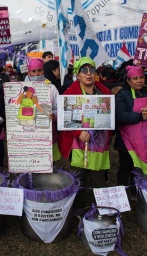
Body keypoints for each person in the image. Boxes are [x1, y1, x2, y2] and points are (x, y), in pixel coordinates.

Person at [58, 57, 112, 214]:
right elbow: (63, 118)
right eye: (84, 70)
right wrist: (78, 132)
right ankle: (79, 207)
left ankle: (101, 207)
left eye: (92, 70)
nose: (88, 74)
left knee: (98, 175)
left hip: (99, 141)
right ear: (77, 74)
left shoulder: (104, 92)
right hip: (78, 143)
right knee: (79, 175)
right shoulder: (70, 93)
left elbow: (110, 115)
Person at [114, 65, 147, 198]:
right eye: (135, 78)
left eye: (141, 78)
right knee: (125, 167)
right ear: (128, 81)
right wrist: (139, 116)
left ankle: (136, 191)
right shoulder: (123, 95)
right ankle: (120, 193)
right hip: (127, 142)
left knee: (138, 169)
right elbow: (119, 115)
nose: (139, 81)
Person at [26, 58, 61, 162]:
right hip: (28, 132)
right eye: (33, 71)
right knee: (31, 160)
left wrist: (54, 115)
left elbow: (58, 107)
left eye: (39, 70)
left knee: (48, 161)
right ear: (29, 73)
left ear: (44, 71)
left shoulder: (51, 87)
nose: (37, 74)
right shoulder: (21, 88)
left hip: (48, 131)